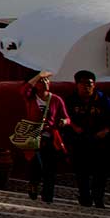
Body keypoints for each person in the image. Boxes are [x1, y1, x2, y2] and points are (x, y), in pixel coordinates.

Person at [66, 69, 110, 208]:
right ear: (77, 85)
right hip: (79, 140)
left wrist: (105, 131)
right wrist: (74, 128)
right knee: (82, 171)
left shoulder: (103, 100)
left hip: (99, 141)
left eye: (89, 84)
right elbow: (65, 118)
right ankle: (85, 197)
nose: (86, 87)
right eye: (83, 84)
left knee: (100, 172)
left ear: (94, 85)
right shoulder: (71, 100)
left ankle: (99, 198)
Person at [20, 71, 71, 203]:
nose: (45, 83)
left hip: (50, 137)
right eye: (42, 81)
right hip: (33, 136)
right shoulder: (30, 98)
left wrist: (64, 122)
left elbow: (67, 117)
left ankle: (48, 195)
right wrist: (38, 76)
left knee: (50, 168)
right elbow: (24, 89)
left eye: (47, 80)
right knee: (35, 164)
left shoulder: (56, 99)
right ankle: (33, 185)